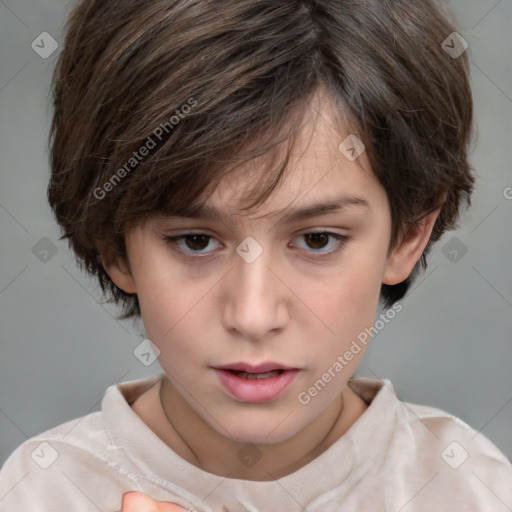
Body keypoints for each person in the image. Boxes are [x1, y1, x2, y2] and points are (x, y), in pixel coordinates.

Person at [1, 0, 511, 510]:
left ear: (408, 236)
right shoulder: (41, 491)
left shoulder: (471, 488)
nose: (253, 315)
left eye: (317, 240)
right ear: (115, 246)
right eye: (195, 241)